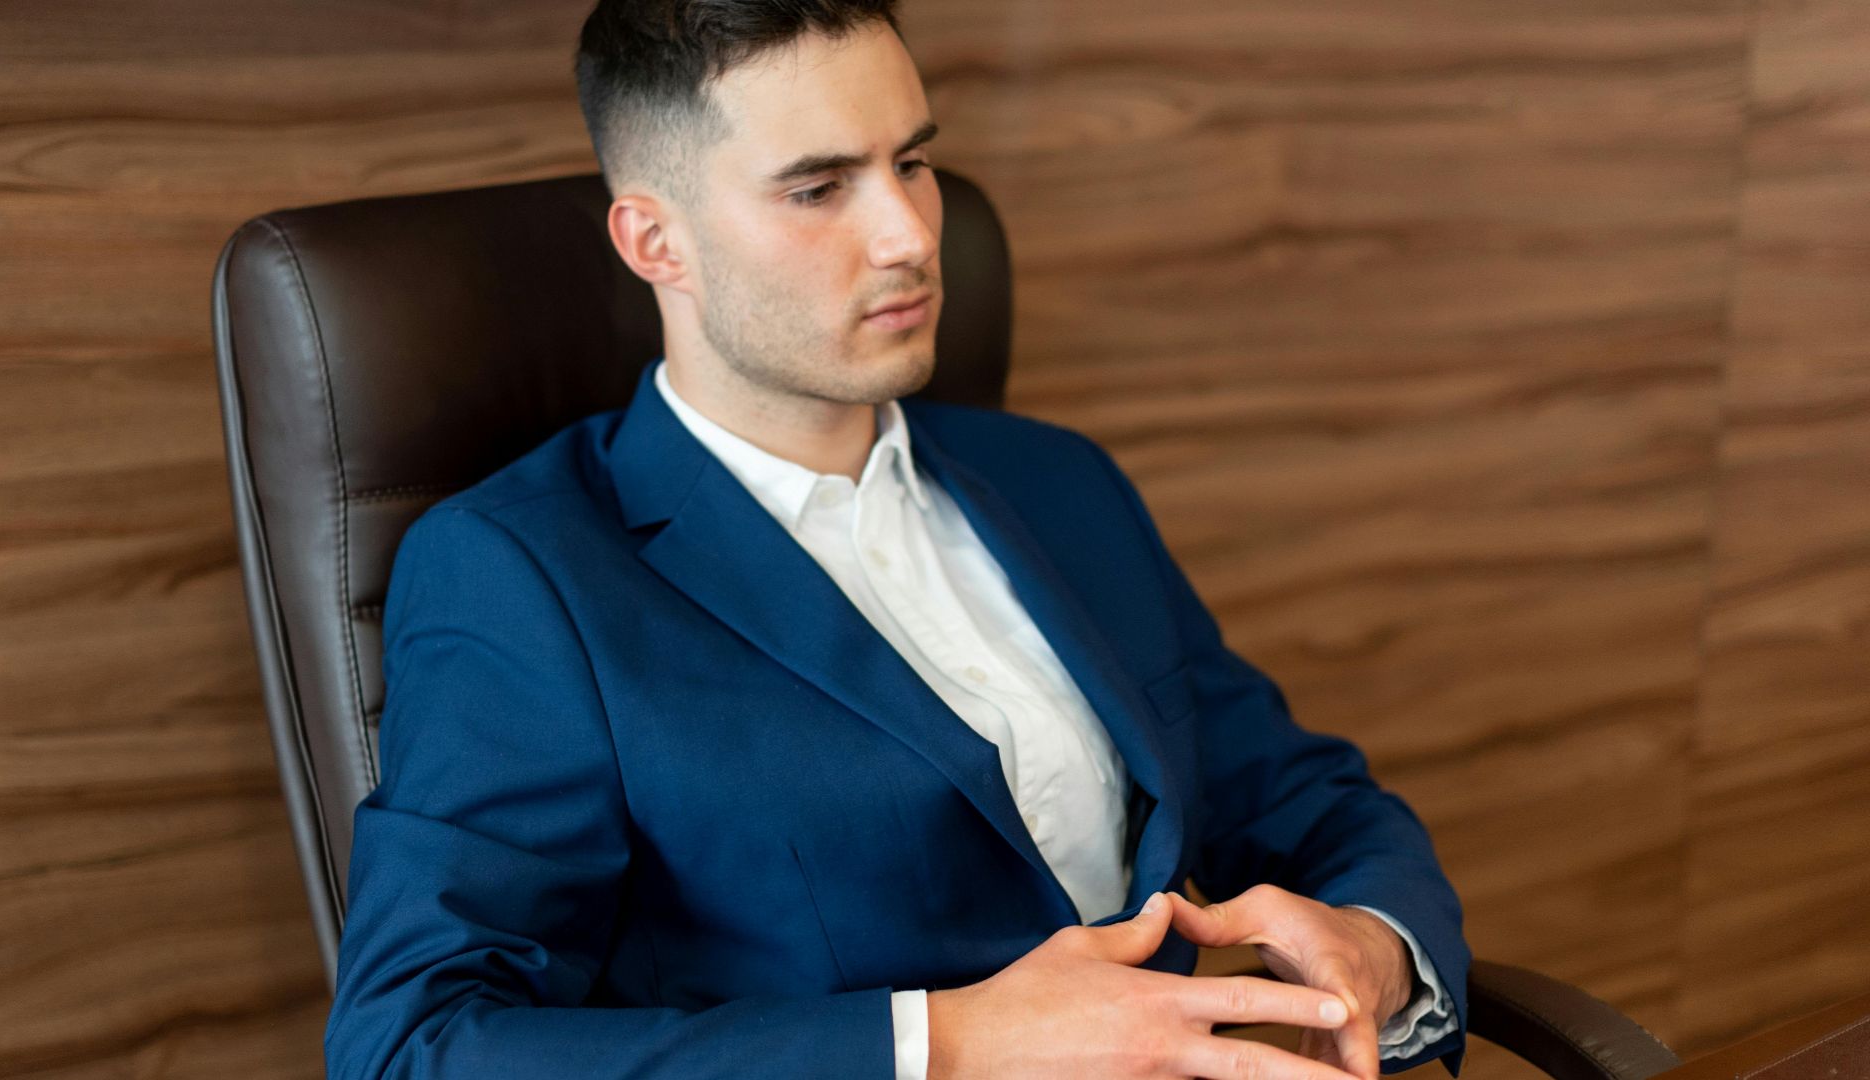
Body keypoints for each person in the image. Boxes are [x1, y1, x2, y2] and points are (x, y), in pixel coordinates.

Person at [322, 2, 1470, 1078]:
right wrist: (947, 1043)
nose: (910, 235)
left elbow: (1299, 796)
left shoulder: (1059, 482)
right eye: (819, 188)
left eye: (912, 163)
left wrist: (1376, 943)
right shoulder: (520, 576)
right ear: (654, 241)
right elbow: (415, 1043)